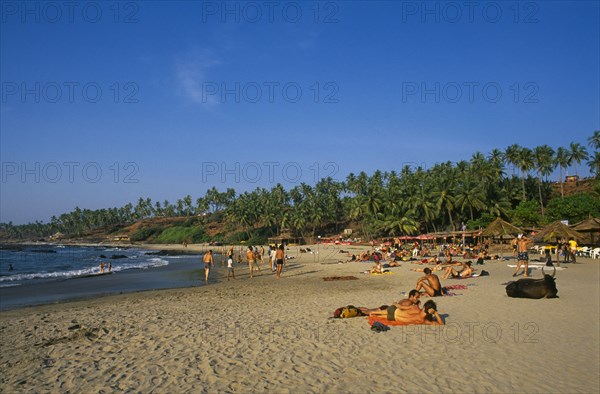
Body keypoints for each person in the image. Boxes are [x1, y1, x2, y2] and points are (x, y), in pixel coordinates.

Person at [368, 299, 443, 325]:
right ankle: (374, 314)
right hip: (394, 318)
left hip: (395, 310)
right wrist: (435, 313)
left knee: (376, 312)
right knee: (377, 316)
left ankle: (373, 312)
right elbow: (441, 324)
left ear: (424, 307)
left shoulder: (415, 307)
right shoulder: (423, 321)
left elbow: (400, 307)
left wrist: (395, 304)